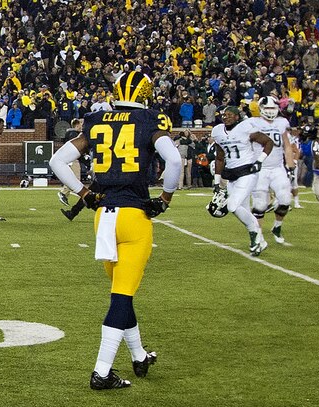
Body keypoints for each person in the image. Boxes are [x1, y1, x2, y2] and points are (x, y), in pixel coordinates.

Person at [49, 71, 182, 390]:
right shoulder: (150, 119)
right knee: (121, 296)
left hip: (103, 217)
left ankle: (138, 356)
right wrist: (164, 197)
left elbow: (57, 161)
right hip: (134, 216)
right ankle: (102, 371)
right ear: (146, 93)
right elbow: (174, 161)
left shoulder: (96, 119)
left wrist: (83, 193)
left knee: (123, 293)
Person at [211, 106, 274, 256]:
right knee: (242, 210)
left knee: (232, 206)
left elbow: (268, 142)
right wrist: (216, 182)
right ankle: (261, 241)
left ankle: (254, 237)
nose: (226, 117)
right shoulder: (218, 131)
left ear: (237, 117)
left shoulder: (246, 128)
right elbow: (220, 158)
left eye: (230, 115)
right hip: (232, 175)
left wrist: (260, 160)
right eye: (224, 115)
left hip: (247, 172)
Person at [250, 96, 296, 244]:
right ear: (261, 109)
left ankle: (277, 227)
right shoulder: (252, 123)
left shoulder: (282, 122)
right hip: (260, 169)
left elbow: (287, 145)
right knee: (260, 205)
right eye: (267, 108)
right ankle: (258, 235)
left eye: (272, 108)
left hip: (277, 168)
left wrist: (290, 164)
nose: (270, 112)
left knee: (285, 199)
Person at [57, 118, 83, 206]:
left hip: (70, 158)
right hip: (73, 159)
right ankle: (63, 193)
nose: (82, 126)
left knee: (74, 178)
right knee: (74, 178)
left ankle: (65, 193)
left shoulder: (70, 133)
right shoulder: (74, 134)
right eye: (80, 124)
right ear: (77, 125)